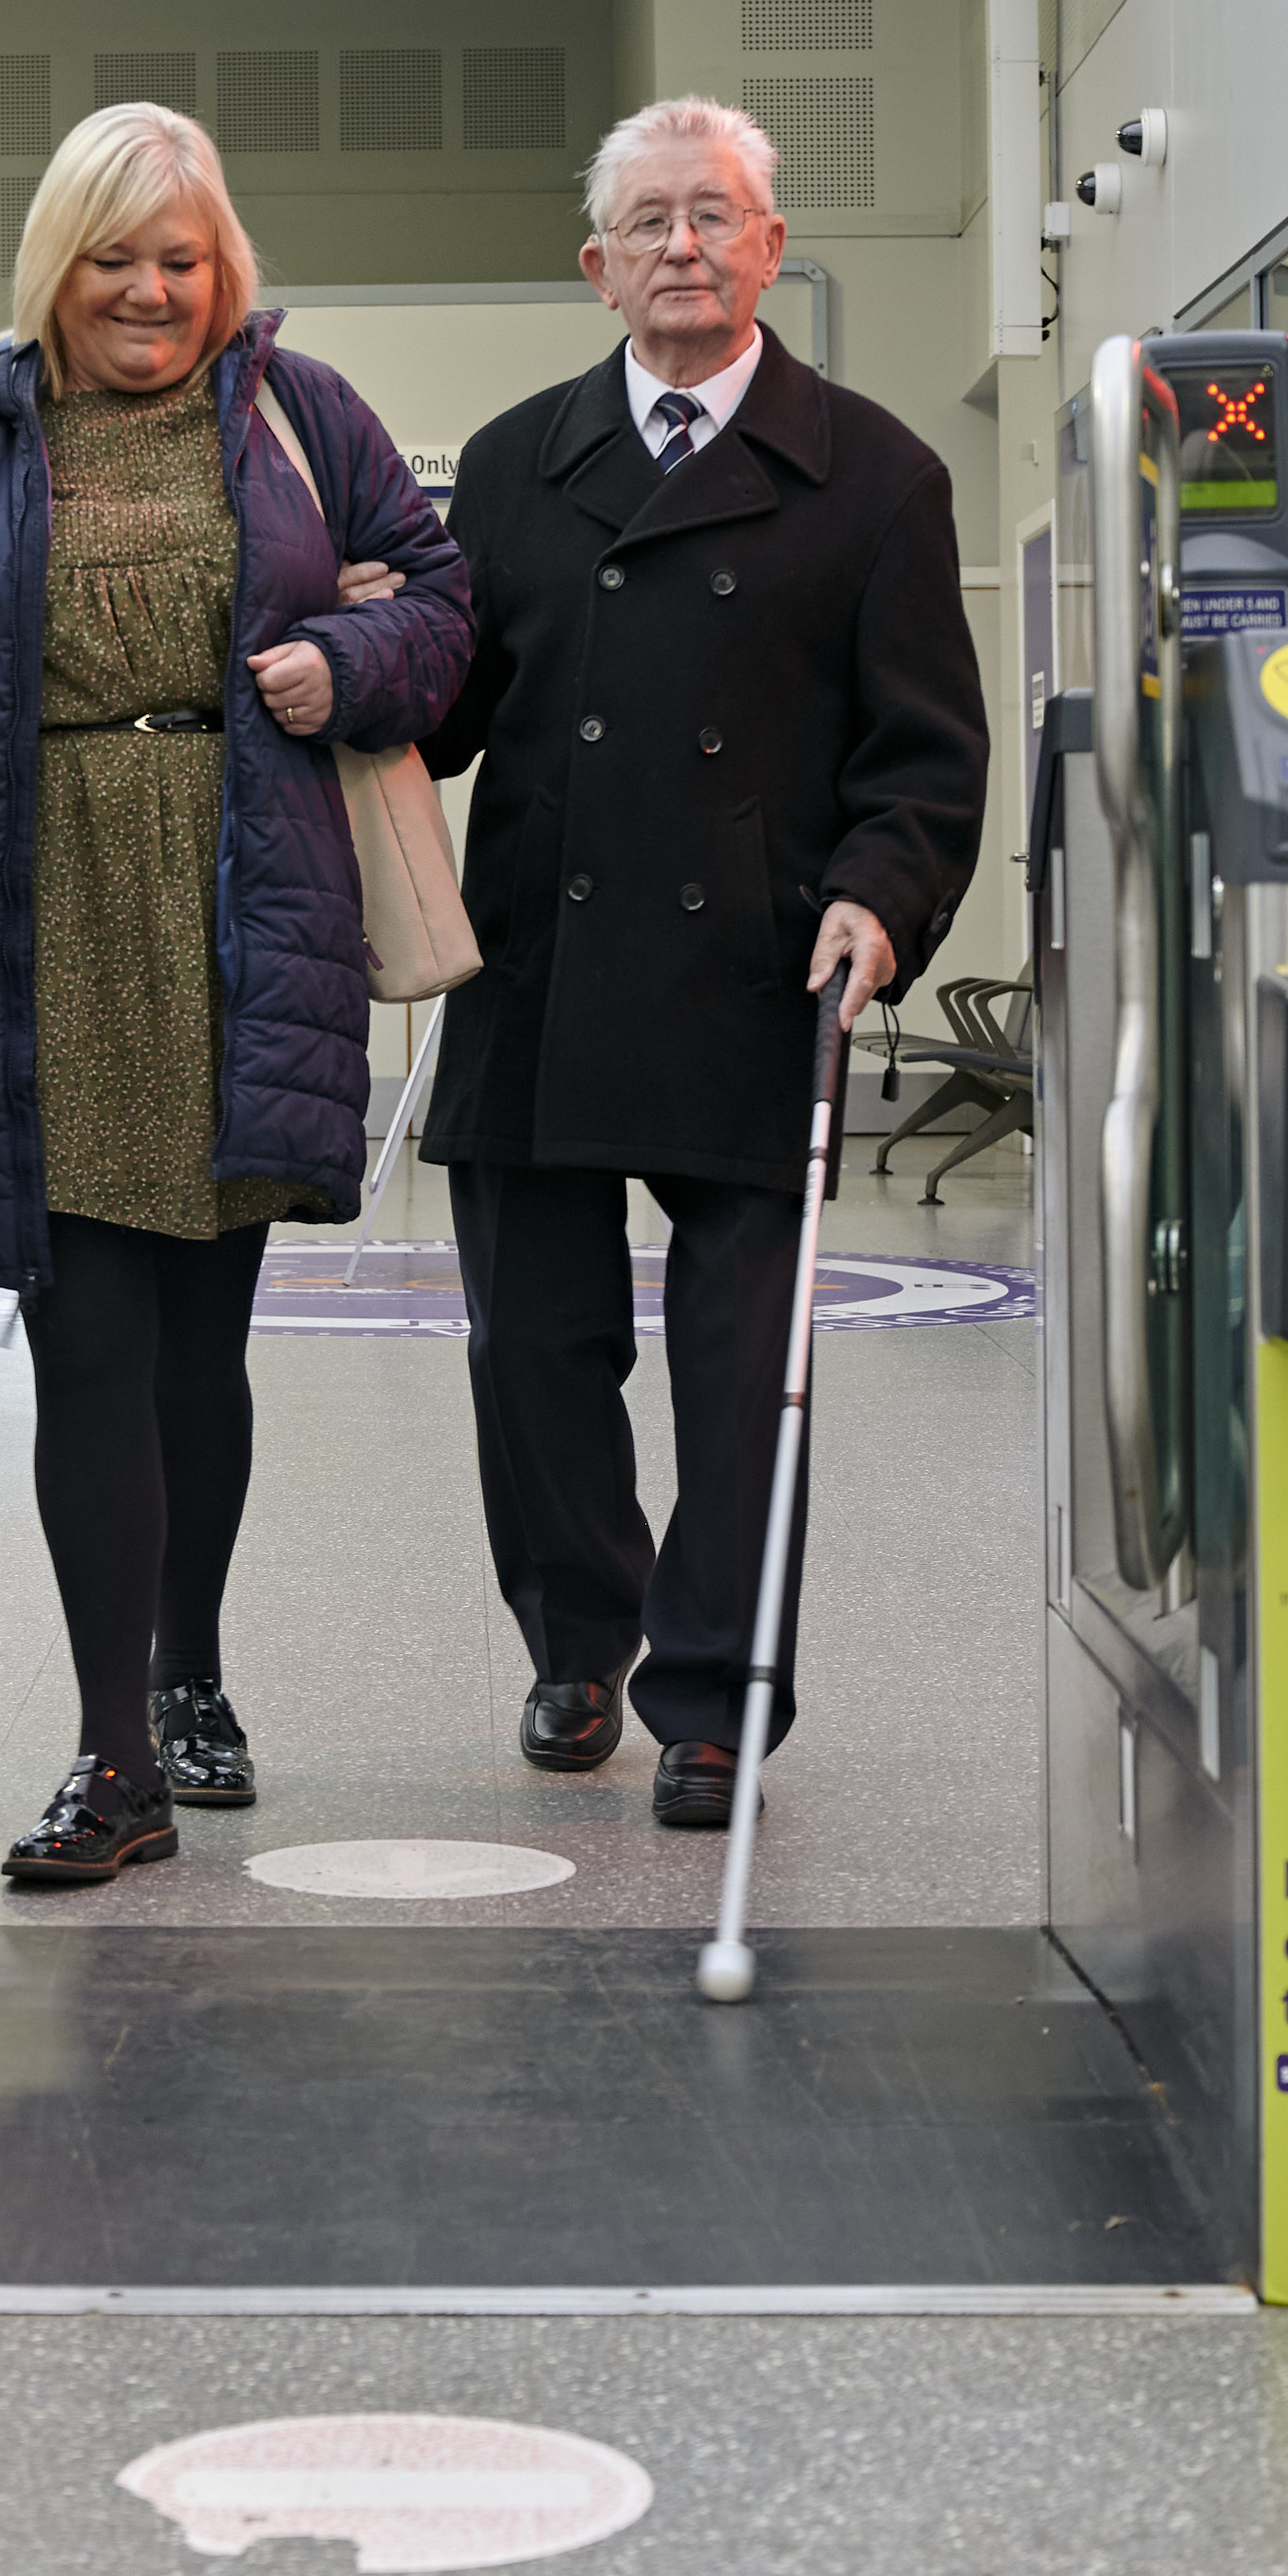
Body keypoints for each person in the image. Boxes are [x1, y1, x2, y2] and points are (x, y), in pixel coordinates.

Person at [0, 103, 473, 1884]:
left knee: (195, 1346)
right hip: (34, 909)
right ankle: (116, 1763)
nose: (150, 291)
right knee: (81, 1339)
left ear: (218, 263)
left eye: (179, 257)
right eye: (113, 259)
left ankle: (194, 1672)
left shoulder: (300, 415)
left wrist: (347, 657)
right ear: (54, 267)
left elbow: (451, 605)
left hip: (245, 902)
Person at [418, 95, 987, 1827]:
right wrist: (350, 658)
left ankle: (718, 1693)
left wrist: (879, 899)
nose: (683, 244)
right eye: (650, 220)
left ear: (768, 249)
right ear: (594, 268)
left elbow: (925, 757)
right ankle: (577, 1641)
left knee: (743, 1376)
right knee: (534, 1350)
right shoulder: (511, 465)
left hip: (759, 980)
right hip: (536, 968)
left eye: (715, 216)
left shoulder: (878, 473)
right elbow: (446, 714)